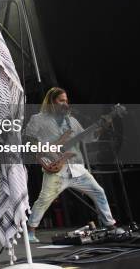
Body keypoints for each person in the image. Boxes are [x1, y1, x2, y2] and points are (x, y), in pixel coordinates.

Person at [25, 87, 117, 243]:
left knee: (98, 191)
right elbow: (28, 139)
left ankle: (110, 225)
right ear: (52, 101)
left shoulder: (72, 121)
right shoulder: (38, 119)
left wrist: (102, 127)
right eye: (61, 100)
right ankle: (30, 231)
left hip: (77, 168)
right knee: (44, 200)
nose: (65, 103)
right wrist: (46, 150)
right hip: (56, 169)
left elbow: (88, 138)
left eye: (66, 101)